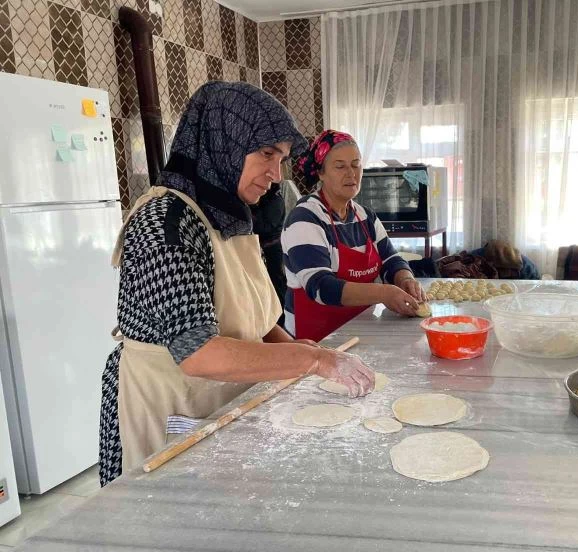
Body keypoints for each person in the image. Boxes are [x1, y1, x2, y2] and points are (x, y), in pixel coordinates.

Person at [100, 84, 374, 487]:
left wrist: (305, 350)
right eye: (266, 154)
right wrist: (314, 362)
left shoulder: (229, 215)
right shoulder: (166, 224)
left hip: (218, 399)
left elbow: (254, 321)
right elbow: (198, 354)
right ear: (222, 140)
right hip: (165, 405)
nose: (276, 175)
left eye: (281, 159)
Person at [281, 130, 426, 341]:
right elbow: (321, 287)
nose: (351, 173)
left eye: (356, 164)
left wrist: (405, 278)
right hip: (315, 340)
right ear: (321, 173)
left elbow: (391, 260)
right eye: (340, 166)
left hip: (359, 332)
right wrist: (384, 293)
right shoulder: (304, 219)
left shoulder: (365, 216)